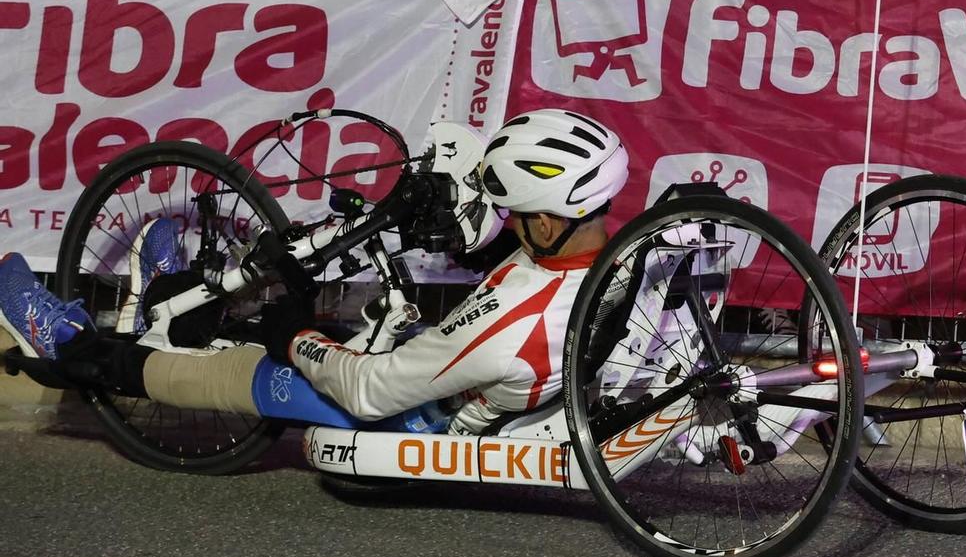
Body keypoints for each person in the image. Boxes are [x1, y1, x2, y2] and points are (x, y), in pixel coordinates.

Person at [0, 110, 627, 438]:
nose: (508, 224)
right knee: (323, 316)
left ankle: (67, 343)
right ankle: (174, 312)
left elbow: (369, 392)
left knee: (246, 365)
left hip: (400, 413)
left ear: (547, 225)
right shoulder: (614, 260)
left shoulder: (510, 324)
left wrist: (295, 337)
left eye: (514, 216)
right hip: (456, 375)